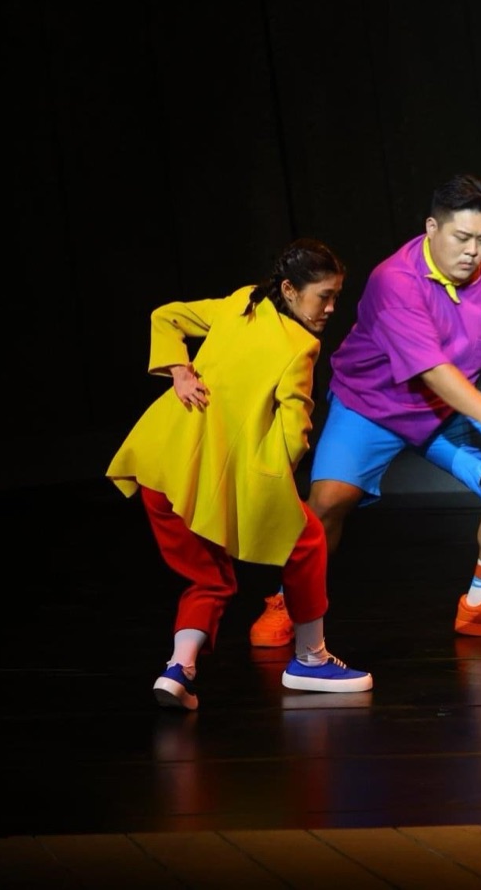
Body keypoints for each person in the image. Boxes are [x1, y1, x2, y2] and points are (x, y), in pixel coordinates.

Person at [249, 175, 481, 647]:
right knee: (327, 503)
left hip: (442, 411)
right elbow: (431, 369)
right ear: (432, 228)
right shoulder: (395, 280)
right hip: (372, 407)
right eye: (462, 238)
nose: (474, 252)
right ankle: (291, 602)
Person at [107, 239, 373, 711]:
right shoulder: (300, 347)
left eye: (336, 296)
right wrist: (276, 478)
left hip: (162, 468)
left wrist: (179, 372)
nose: (332, 307)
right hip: (214, 477)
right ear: (289, 290)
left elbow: (165, 316)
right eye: (324, 296)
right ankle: (310, 659)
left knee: (210, 579)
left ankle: (178, 670)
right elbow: (296, 427)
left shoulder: (241, 301)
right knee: (308, 540)